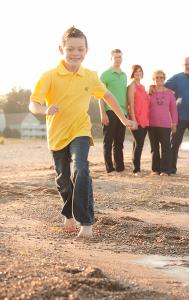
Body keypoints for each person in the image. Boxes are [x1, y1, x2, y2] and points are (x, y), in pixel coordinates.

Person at [29, 27, 136, 239]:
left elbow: (108, 96)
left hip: (80, 130)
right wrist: (44, 110)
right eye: (70, 49)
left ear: (86, 50)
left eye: (80, 49)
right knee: (63, 179)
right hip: (57, 135)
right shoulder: (49, 76)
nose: (75, 53)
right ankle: (68, 214)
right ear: (61, 49)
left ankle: (86, 223)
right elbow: (33, 103)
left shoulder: (90, 76)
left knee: (81, 169)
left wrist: (123, 118)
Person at [99, 49, 128, 173]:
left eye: (120, 57)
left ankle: (119, 167)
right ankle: (109, 168)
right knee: (108, 141)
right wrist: (103, 113)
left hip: (122, 112)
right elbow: (100, 96)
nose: (118, 59)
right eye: (115, 57)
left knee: (119, 141)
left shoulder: (124, 75)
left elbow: (124, 94)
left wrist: (127, 113)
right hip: (110, 111)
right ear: (111, 59)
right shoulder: (105, 75)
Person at [148, 70, 178, 176]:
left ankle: (165, 170)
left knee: (166, 148)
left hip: (165, 125)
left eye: (161, 78)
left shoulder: (170, 93)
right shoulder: (150, 92)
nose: (159, 80)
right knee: (154, 148)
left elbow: (174, 110)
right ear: (154, 79)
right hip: (151, 124)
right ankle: (155, 169)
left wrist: (174, 123)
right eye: (157, 78)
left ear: (164, 79)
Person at [127, 65, 151, 175]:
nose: (138, 73)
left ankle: (135, 166)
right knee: (139, 143)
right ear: (132, 73)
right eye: (136, 71)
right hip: (136, 118)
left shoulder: (142, 86)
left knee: (137, 143)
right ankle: (136, 169)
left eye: (140, 71)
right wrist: (134, 120)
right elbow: (131, 105)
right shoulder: (132, 86)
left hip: (145, 118)